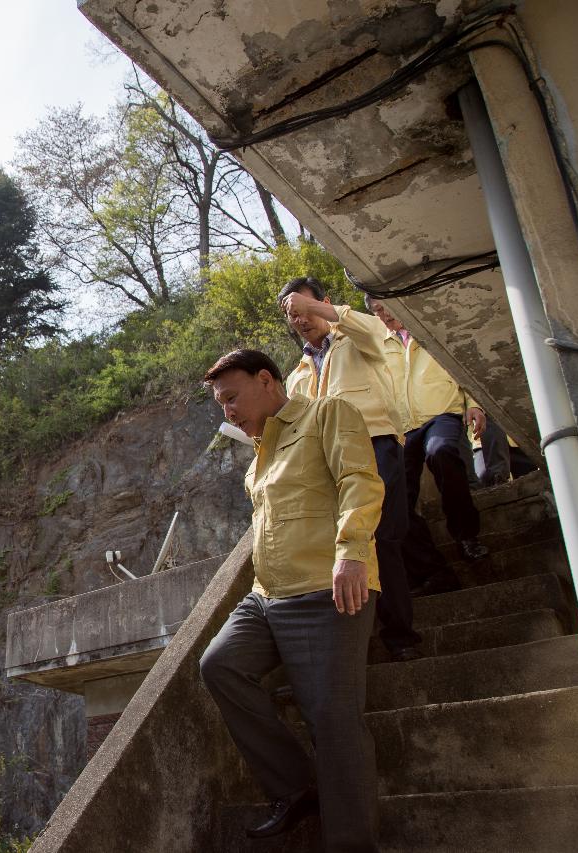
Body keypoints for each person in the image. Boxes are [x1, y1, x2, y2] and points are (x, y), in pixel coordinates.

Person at [200, 349, 382, 852]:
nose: (227, 412)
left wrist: (351, 553)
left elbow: (359, 482)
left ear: (267, 380)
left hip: (329, 589)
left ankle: (351, 843)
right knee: (219, 665)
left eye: (231, 398)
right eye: (221, 403)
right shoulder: (257, 457)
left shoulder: (328, 413)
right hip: (265, 598)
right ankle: (295, 788)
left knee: (334, 721)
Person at [278, 277, 420, 662]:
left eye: (304, 310)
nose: (301, 320)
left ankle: (400, 636)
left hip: (376, 444)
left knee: (382, 538)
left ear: (324, 303)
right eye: (293, 316)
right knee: (347, 547)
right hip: (330, 463)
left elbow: (370, 328)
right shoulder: (298, 375)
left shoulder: (358, 335)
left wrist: (316, 308)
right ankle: (366, 634)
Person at [365, 297, 490, 572]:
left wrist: (475, 405)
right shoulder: (376, 344)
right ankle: (430, 566)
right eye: (377, 311)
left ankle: (466, 534)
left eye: (386, 306)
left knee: (441, 451)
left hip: (442, 414)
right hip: (402, 428)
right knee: (393, 495)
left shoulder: (431, 330)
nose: (384, 314)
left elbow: (463, 371)